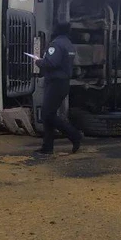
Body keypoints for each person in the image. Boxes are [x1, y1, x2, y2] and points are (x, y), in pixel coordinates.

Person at [33, 23, 82, 155]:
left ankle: (74, 135)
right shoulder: (69, 44)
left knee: (47, 115)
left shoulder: (56, 44)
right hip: (63, 83)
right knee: (49, 114)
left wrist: (38, 61)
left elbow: (51, 63)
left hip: (54, 83)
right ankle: (47, 147)